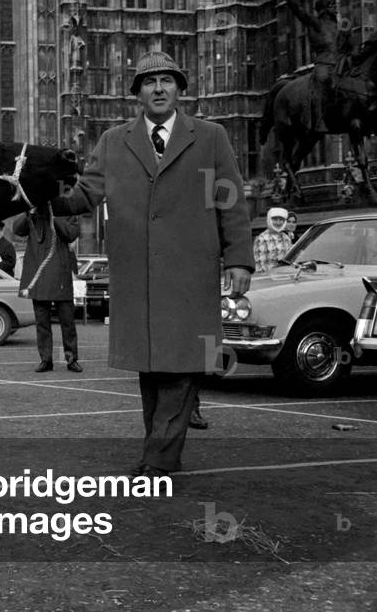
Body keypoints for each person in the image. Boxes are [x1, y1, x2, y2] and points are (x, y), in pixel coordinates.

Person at [52, 51, 253, 477]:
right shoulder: (113, 141)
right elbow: (84, 195)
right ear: (137, 94)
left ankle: (158, 461)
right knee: (151, 369)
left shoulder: (211, 136)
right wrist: (47, 193)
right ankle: (161, 454)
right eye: (149, 82)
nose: (159, 88)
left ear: (180, 89)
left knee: (181, 367)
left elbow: (230, 201)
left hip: (190, 274)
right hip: (138, 276)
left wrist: (239, 260)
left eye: (167, 80)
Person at [276, 0, 351, 132]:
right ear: (323, 8)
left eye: (335, 4)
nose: (335, 8)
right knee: (322, 81)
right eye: (331, 4)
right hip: (323, 64)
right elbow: (299, 11)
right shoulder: (315, 23)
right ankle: (317, 120)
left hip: (340, 64)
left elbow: (345, 47)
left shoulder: (339, 26)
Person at [13, 208, 82, 373]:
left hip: (60, 276)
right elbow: (17, 229)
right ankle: (46, 359)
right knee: (42, 324)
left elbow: (71, 233)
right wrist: (29, 212)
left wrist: (54, 215)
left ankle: (71, 358)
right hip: (39, 275)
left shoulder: (68, 210)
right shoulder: (35, 212)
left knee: (67, 322)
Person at [253, 207, 293, 273]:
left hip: (285, 277)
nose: (278, 223)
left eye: (281, 220)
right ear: (269, 220)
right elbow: (259, 265)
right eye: (275, 219)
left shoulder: (287, 238)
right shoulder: (261, 239)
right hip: (269, 280)